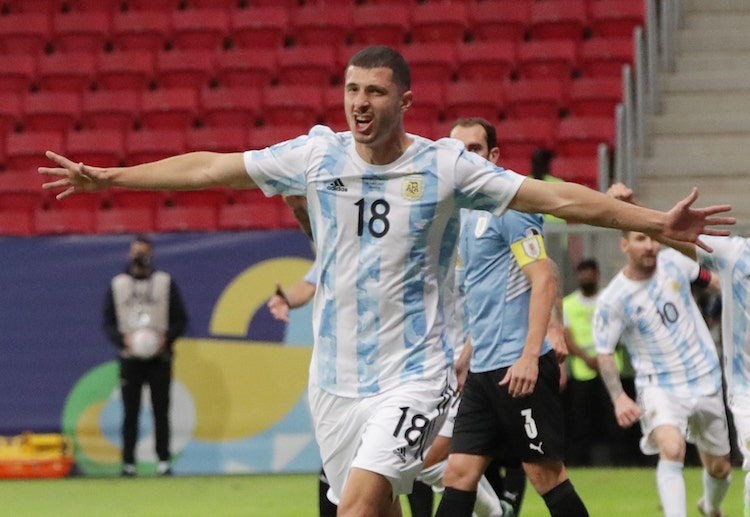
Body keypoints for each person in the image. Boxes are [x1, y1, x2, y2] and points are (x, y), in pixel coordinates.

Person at [40, 45, 733, 517]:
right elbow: (209, 167)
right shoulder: (315, 155)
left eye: (374, 91)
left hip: (413, 375)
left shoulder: (444, 167)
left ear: (405, 97)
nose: (359, 103)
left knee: (360, 502)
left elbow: (557, 199)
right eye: (350, 90)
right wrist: (111, 176)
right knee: (372, 505)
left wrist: (652, 220)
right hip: (333, 379)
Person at [435, 118, 584, 517]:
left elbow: (543, 277)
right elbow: (489, 292)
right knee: (458, 473)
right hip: (485, 370)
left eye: (475, 149)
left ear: (494, 156)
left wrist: (532, 355)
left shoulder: (508, 204)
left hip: (518, 368)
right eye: (457, 151)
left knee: (545, 475)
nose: (464, 159)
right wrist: (468, 352)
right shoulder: (464, 213)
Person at [611, 182, 750, 516]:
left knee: (719, 468)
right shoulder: (738, 257)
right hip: (747, 391)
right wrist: (635, 207)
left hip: (708, 382)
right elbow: (670, 233)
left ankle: (710, 506)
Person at [268, 265, 435, 517]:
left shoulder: (400, 248)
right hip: (344, 384)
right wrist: (287, 299)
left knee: (403, 468)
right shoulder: (341, 249)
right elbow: (309, 283)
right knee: (368, 488)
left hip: (397, 376)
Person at [593, 229, 732, 517]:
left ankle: (710, 505)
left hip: (705, 377)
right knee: (672, 449)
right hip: (660, 386)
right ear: (624, 245)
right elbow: (604, 352)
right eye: (641, 239)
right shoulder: (613, 299)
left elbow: (714, 283)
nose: (650, 246)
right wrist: (619, 398)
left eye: (653, 238)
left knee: (720, 468)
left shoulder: (677, 263)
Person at [103, 235, 188, 477]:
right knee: (130, 412)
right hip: (130, 358)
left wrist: (166, 339)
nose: (140, 258)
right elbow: (108, 321)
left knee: (161, 411)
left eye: (144, 252)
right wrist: (123, 340)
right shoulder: (118, 285)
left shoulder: (164, 283)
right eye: (136, 253)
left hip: (159, 358)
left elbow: (180, 319)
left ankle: (163, 461)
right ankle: (128, 462)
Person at [562, 258, 630, 466]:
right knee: (581, 419)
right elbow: (566, 336)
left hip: (610, 367)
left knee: (614, 418)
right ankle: (578, 462)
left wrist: (604, 355)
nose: (586, 277)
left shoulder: (609, 301)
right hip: (583, 368)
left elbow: (620, 329)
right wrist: (585, 358)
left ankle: (620, 461)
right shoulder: (568, 304)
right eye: (582, 273)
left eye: (590, 273)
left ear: (597, 275)